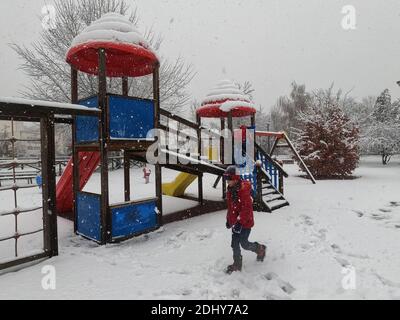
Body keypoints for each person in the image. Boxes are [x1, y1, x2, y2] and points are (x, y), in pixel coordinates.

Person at [224, 166, 266, 274]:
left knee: (244, 244)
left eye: (230, 180)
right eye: (227, 180)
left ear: (236, 179)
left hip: (245, 223)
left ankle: (260, 249)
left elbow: (246, 209)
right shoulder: (230, 191)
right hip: (236, 223)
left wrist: (240, 222)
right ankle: (237, 264)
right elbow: (230, 207)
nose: (228, 182)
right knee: (234, 244)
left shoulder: (243, 191)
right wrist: (229, 220)